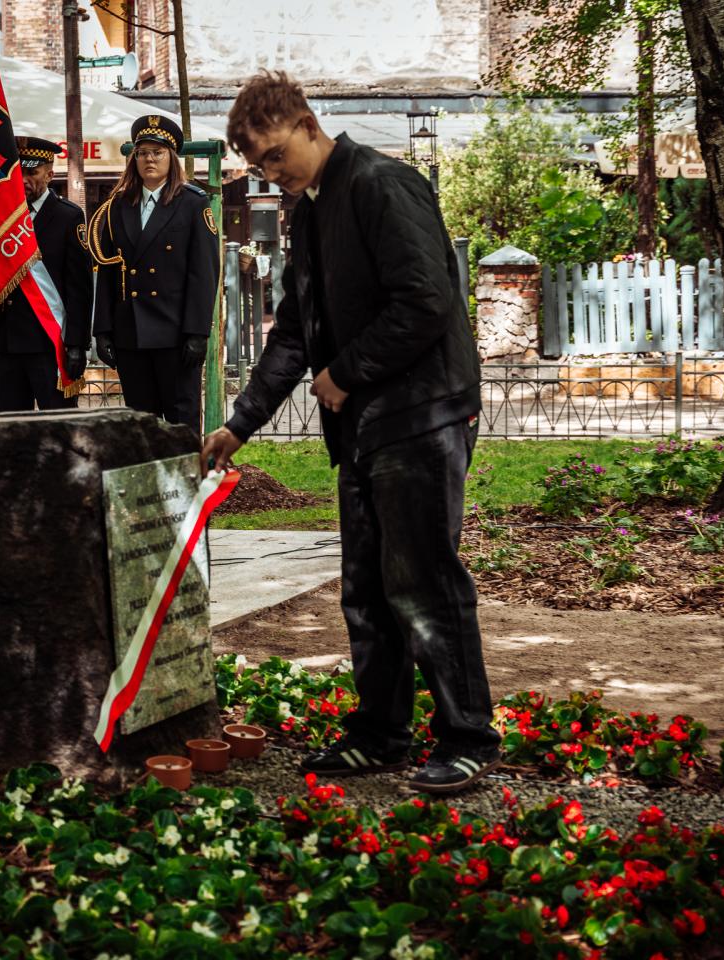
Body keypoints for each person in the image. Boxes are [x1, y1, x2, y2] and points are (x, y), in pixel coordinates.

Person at [202, 71, 500, 795]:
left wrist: (347, 372)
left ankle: (467, 738)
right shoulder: (311, 213)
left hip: (422, 416)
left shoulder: (381, 184)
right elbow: (296, 332)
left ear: (306, 122)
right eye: (261, 166)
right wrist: (240, 423)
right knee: (366, 588)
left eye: (275, 155)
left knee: (423, 582)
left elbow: (427, 300)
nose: (273, 174)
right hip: (367, 429)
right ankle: (380, 732)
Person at [90, 115, 220, 433]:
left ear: (171, 158)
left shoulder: (192, 204)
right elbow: (109, 270)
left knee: (181, 422)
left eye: (157, 153)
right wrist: (103, 329)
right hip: (131, 333)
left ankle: (188, 482)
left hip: (175, 335)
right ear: (134, 159)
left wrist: (198, 333)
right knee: (141, 426)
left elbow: (204, 273)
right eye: (143, 152)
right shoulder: (118, 205)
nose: (149, 159)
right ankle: (146, 483)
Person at [0, 137, 91, 411]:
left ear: (50, 174)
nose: (23, 179)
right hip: (9, 342)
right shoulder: (2, 217)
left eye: (32, 172)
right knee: (13, 431)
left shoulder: (67, 216)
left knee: (58, 431)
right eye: (18, 172)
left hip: (51, 344)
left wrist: (76, 344)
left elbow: (79, 289)